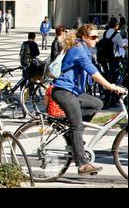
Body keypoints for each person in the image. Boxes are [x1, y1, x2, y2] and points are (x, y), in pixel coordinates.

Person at [51, 24, 126, 175]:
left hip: (74, 92)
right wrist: (111, 86)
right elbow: (93, 72)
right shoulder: (78, 49)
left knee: (97, 103)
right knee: (77, 126)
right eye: (93, 37)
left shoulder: (83, 48)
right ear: (84, 37)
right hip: (64, 92)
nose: (96, 40)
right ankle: (82, 164)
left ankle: (71, 132)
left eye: (97, 36)